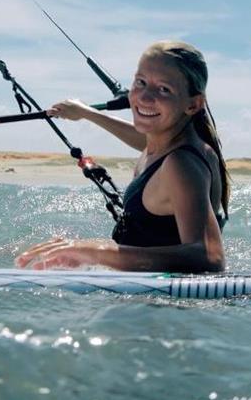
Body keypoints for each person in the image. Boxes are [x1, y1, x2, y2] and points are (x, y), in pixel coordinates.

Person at [15, 41, 228, 273]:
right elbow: (142, 140)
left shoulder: (181, 164)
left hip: (165, 307)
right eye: (141, 82)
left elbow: (209, 258)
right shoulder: (164, 144)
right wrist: (86, 113)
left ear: (193, 104)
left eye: (164, 89)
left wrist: (95, 252)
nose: (144, 97)